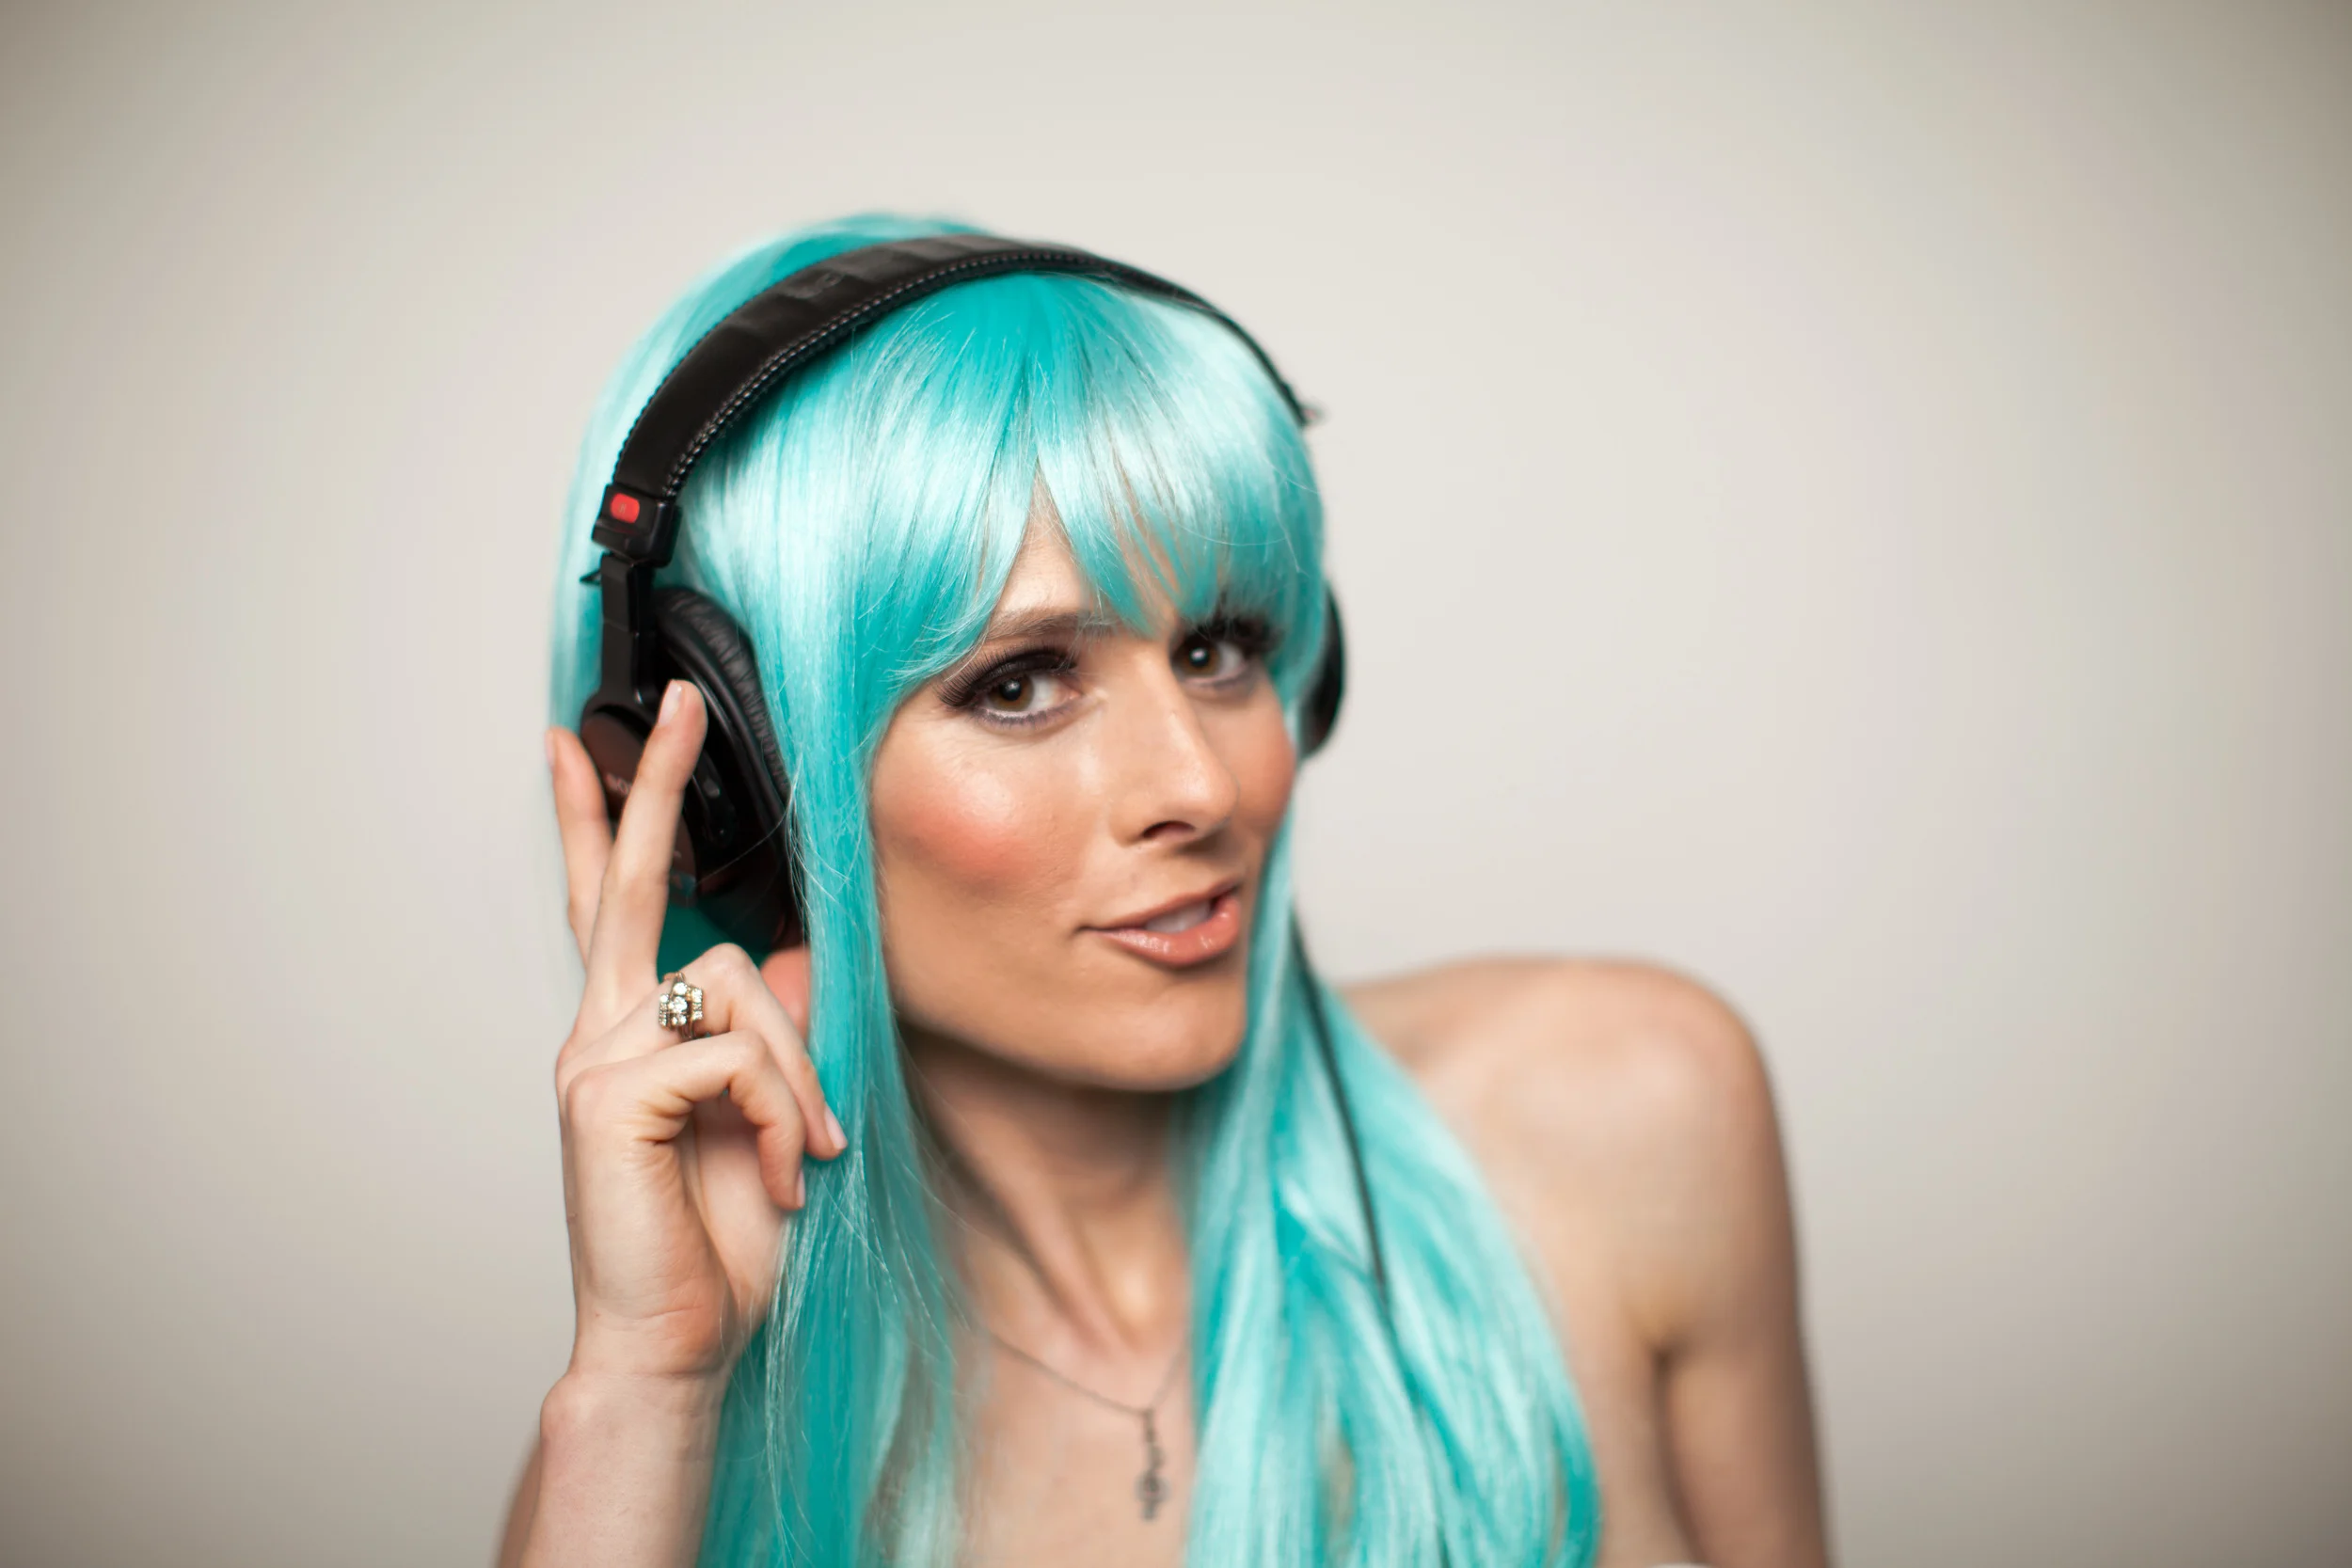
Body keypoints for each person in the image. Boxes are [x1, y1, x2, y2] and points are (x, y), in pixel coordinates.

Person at [500, 214, 1827, 1568]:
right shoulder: (644, 1446)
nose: (1201, 782)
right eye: (1020, 684)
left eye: (1218, 648)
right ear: (735, 791)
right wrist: (649, 1388)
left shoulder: (1630, 1112)